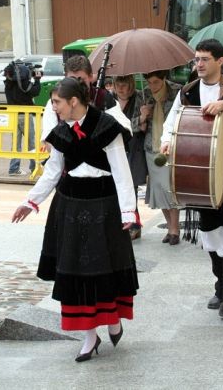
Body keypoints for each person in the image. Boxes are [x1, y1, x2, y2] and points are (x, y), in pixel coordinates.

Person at [12, 77, 138, 362]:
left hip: (103, 206)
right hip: (69, 206)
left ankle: (112, 319)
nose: (53, 107)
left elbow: (121, 171)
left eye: (56, 102)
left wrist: (129, 210)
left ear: (73, 101)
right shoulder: (60, 133)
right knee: (76, 273)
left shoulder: (107, 127)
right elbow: (53, 171)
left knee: (103, 268)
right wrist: (30, 202)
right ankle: (89, 335)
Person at [161, 39, 223, 319]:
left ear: (220, 61)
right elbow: (170, 124)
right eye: (196, 60)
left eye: (204, 59)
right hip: (199, 173)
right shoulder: (188, 92)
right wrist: (167, 142)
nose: (198, 64)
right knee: (211, 234)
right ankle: (221, 284)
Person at [140, 70, 181, 245]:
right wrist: (143, 116)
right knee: (159, 189)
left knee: (169, 187)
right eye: (149, 82)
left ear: (164, 79)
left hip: (171, 146)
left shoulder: (177, 92)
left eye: (156, 82)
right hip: (151, 146)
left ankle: (175, 228)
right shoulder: (144, 95)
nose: (152, 86)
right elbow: (137, 126)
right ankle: (171, 227)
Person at [114, 74, 147, 240]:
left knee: (130, 187)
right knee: (117, 187)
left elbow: (141, 127)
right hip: (115, 148)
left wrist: (141, 119)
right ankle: (122, 222)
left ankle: (134, 225)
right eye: (118, 84)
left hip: (134, 148)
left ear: (131, 85)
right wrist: (138, 121)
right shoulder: (110, 100)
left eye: (124, 84)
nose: (121, 88)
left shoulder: (139, 99)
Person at [4, 60, 42, 175]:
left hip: (12, 115)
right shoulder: (24, 83)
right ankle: (34, 167)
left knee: (15, 143)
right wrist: (37, 80)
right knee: (31, 142)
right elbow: (35, 92)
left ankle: (13, 169)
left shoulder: (8, 84)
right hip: (25, 115)